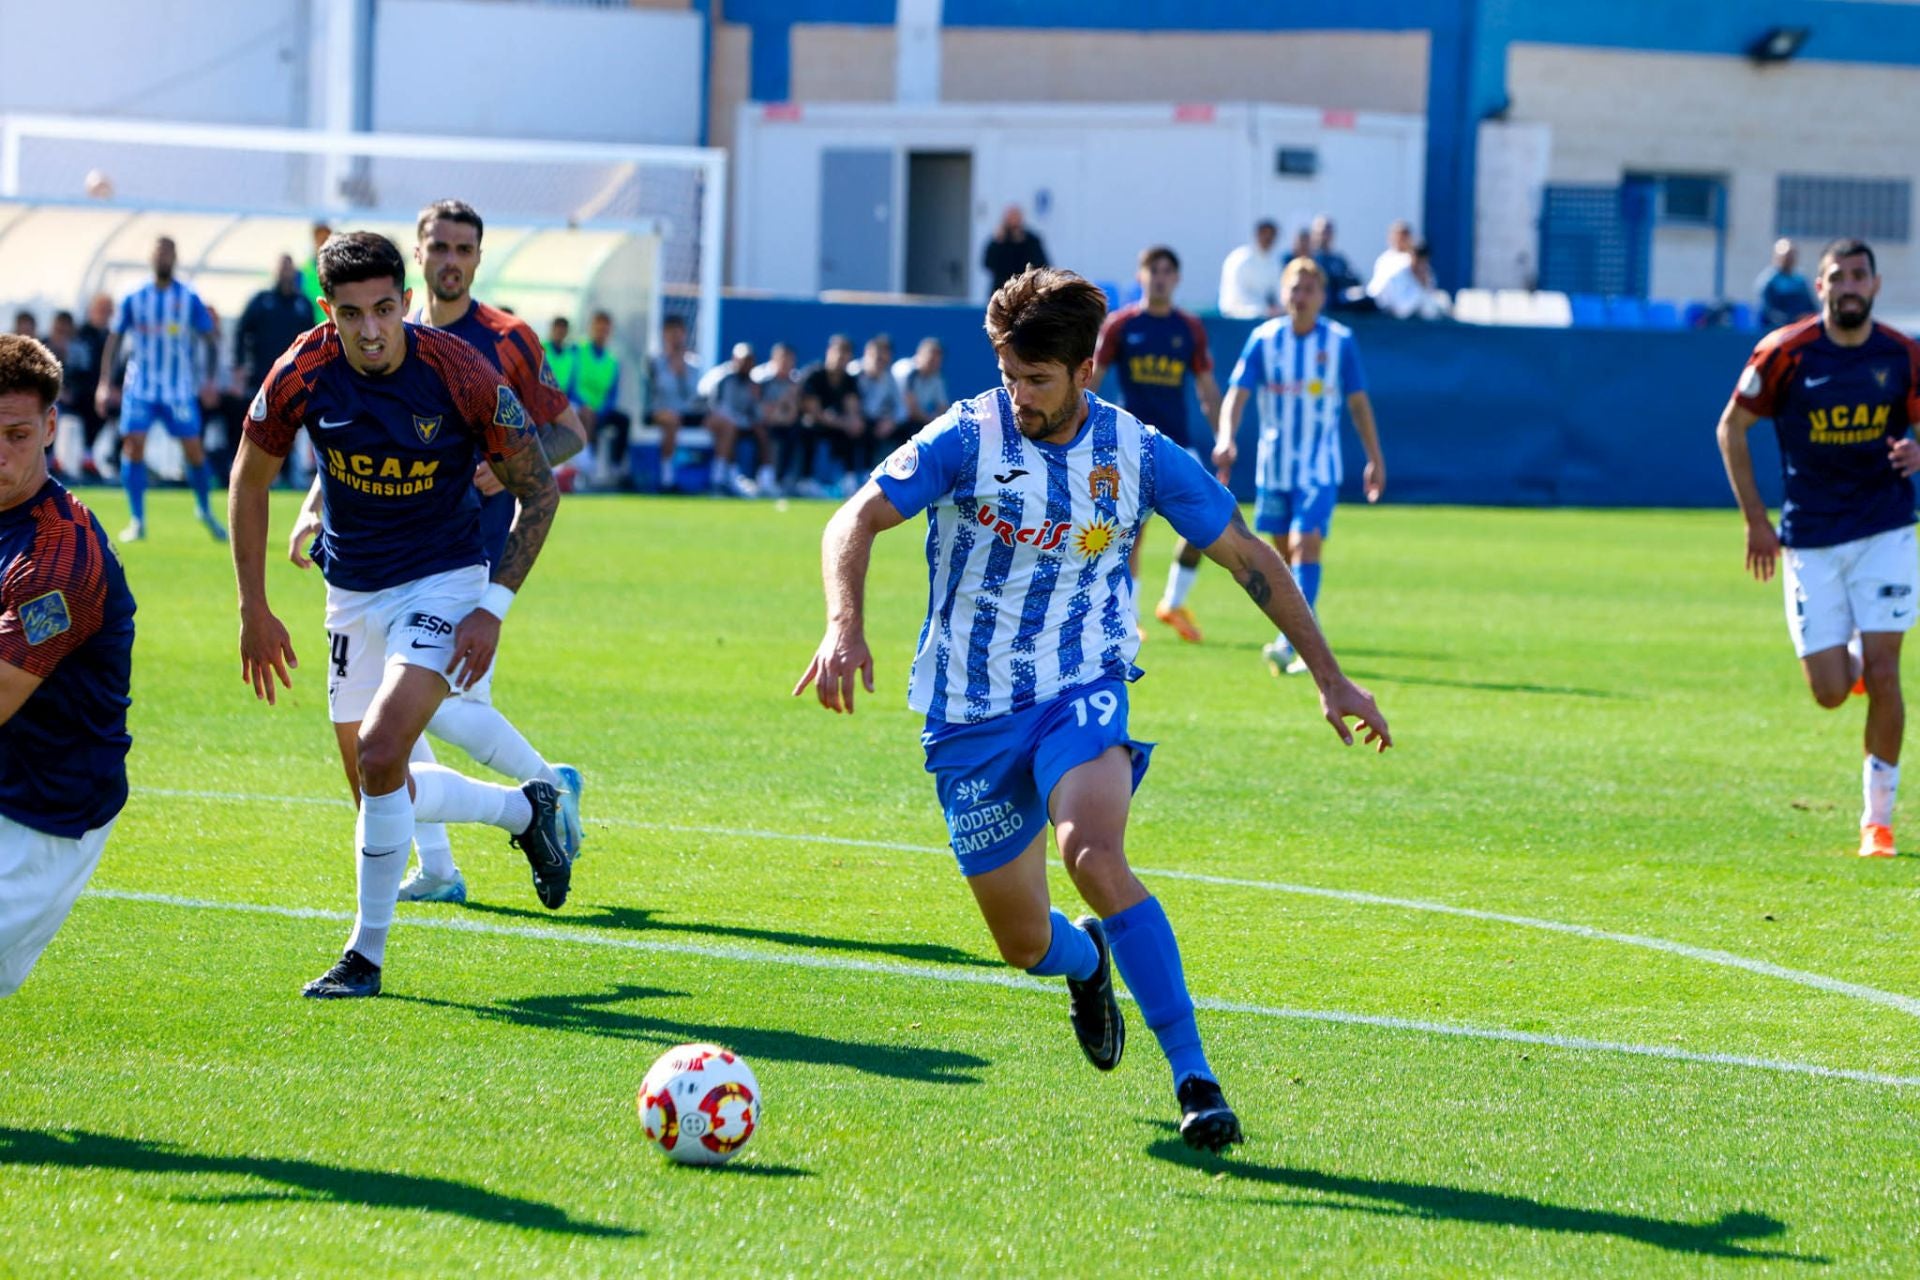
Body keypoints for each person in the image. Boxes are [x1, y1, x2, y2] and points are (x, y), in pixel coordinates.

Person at [795, 266, 1391, 1151]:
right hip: (968, 709)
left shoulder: (1139, 454)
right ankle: (1085, 961)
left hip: (1083, 683)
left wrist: (1330, 677)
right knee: (1023, 942)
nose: (1018, 394)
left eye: (1037, 379)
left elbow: (1248, 558)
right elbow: (852, 519)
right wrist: (844, 625)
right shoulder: (967, 436)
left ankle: (1195, 1076)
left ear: (1085, 373)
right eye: (1008, 374)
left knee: (1091, 851)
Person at [232, 231, 573, 998]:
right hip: (351, 592)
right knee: (374, 787)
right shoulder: (301, 372)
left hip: (444, 582)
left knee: (386, 753)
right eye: (352, 315)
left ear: (405, 301)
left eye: (385, 309)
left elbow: (540, 489)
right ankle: (525, 811)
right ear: (329, 312)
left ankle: (365, 956)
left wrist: (491, 608)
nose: (372, 330)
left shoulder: (458, 371)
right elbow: (248, 478)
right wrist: (253, 608)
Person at [289, 200, 585, 905]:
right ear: (417, 255)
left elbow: (567, 431)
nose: (451, 260)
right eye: (439, 246)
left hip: (468, 549)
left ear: (479, 259)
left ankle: (545, 788)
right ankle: (445, 867)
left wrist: (504, 461)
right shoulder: (383, 329)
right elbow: (350, 439)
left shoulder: (506, 338)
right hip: (379, 552)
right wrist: (313, 503)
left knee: (438, 708)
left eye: (464, 248)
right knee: (393, 710)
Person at [1716, 237, 1920, 859]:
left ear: (1876, 286)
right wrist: (1757, 521)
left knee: (1888, 674)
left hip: (1886, 528)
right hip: (1811, 538)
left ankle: (1876, 822)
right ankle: (1851, 659)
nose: (1849, 286)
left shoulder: (1903, 355)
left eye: (1860, 276)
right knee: (1830, 691)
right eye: (1838, 277)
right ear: (1821, 287)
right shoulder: (1785, 353)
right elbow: (1731, 427)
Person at [0, 334, 136, 998]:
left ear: (51, 427)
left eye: (17, 435)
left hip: (42, 814)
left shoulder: (61, 559)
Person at [1216, 257, 1388, 676]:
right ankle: (1301, 637)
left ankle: (1287, 643)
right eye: (1295, 287)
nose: (1301, 295)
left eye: (1309, 288)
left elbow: (1359, 403)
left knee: (1304, 542)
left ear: (1322, 297)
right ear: (1283, 293)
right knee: (1279, 560)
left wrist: (1374, 458)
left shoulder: (1339, 341)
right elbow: (1237, 394)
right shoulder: (1264, 338)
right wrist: (1226, 437)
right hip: (1273, 468)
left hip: (1318, 468)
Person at [1092, 245, 1222, 642]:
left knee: (1208, 522)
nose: (1160, 277)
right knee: (1131, 531)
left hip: (1179, 443)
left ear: (1176, 279)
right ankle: (1128, 618)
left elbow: (1206, 389)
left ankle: (1173, 601)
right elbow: (1091, 381)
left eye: (1167, 271)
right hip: (1131, 443)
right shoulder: (1120, 325)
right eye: (1153, 270)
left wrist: (1224, 437)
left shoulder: (1189, 328)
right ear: (1141, 276)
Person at [95, 235, 224, 544]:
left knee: (193, 451)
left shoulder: (189, 297)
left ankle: (204, 509)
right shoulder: (134, 296)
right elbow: (113, 340)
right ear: (151, 257)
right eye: (159, 252)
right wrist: (104, 383)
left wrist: (208, 380)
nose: (163, 257)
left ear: (175, 257)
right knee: (133, 445)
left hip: (178, 388)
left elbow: (210, 339)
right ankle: (137, 520)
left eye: (169, 252)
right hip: (141, 386)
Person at [234, 255, 319, 486]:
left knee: (295, 427)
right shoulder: (261, 301)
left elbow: (314, 339)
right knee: (262, 426)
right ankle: (257, 474)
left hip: (297, 379)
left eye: (289, 268)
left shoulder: (303, 304)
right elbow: (241, 331)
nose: (286, 273)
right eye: (282, 268)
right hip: (263, 377)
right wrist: (240, 366)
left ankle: (291, 473)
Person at [697, 342, 771, 495]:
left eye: (750, 361)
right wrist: (742, 420)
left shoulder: (752, 383)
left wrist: (755, 402)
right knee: (729, 427)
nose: (747, 364)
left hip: (738, 422)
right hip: (710, 419)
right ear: (735, 359)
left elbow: (755, 412)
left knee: (761, 430)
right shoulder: (723, 378)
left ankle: (765, 478)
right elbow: (717, 407)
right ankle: (720, 478)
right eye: (744, 360)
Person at [646, 315, 707, 493]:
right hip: (660, 411)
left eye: (678, 332)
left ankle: (721, 475)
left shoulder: (694, 364)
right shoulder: (654, 363)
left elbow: (695, 395)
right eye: (670, 332)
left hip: (687, 412)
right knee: (671, 420)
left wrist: (683, 374)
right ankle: (667, 477)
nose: (675, 337)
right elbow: (654, 393)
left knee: (722, 422)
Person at [797, 334, 862, 496]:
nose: (841, 358)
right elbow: (814, 412)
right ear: (828, 352)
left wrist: (853, 422)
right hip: (815, 424)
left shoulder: (849, 380)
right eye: (838, 352)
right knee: (808, 428)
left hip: (837, 425)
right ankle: (806, 480)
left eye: (845, 354)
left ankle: (849, 479)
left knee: (857, 431)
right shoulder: (814, 375)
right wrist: (842, 423)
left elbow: (852, 407)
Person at [60, 295, 114, 483]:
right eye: (101, 309)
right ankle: (83, 457)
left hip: (101, 393)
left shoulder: (112, 337)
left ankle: (110, 458)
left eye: (107, 309)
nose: (104, 314)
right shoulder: (81, 335)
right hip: (78, 392)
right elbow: (74, 368)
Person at [574, 311, 628, 488]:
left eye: (605, 328)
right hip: (577, 406)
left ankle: (616, 467)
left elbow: (612, 394)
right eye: (598, 327)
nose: (601, 332)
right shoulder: (578, 351)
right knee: (587, 416)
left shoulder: (612, 360)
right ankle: (586, 467)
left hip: (599, 410)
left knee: (623, 420)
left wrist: (601, 410)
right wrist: (584, 404)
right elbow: (570, 384)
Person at [854, 334, 904, 488]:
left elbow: (901, 409)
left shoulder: (888, 377)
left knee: (908, 431)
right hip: (854, 421)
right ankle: (853, 477)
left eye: (884, 357)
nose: (880, 361)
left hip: (879, 422)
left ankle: (899, 478)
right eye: (877, 356)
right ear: (867, 353)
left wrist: (891, 422)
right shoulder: (853, 373)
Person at [753, 342, 803, 493]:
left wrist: (787, 408)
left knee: (798, 431)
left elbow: (792, 415)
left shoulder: (794, 381)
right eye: (783, 359)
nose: (786, 363)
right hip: (757, 422)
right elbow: (762, 412)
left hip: (783, 423)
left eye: (790, 360)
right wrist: (783, 402)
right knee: (766, 431)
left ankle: (788, 479)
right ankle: (765, 477)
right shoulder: (761, 379)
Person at [1217, 220, 1281, 319]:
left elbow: (1278, 292)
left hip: (1262, 317)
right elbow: (1237, 296)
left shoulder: (1273, 262)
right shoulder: (1240, 259)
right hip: (1234, 318)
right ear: (1257, 235)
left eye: (1272, 237)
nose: (1268, 240)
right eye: (1265, 235)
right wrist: (1263, 310)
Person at [1371, 242, 1452, 321]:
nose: (1420, 265)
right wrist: (1421, 287)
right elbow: (1401, 311)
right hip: (1378, 312)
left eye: (1423, 261)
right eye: (1417, 260)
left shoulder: (1428, 274)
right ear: (1412, 257)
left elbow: (1428, 310)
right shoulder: (1398, 273)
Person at [982, 205, 1049, 296]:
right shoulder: (999, 240)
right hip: (1001, 290)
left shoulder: (1031, 240)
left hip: (1025, 290)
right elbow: (987, 263)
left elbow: (1042, 263)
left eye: (1016, 217)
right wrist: (998, 244)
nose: (1013, 221)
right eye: (1010, 217)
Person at [1756, 238, 1818, 331]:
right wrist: (1791, 320)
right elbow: (1768, 311)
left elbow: (1811, 307)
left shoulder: (1800, 280)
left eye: (1791, 256)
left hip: (1800, 330)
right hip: (1775, 331)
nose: (1789, 259)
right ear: (1777, 257)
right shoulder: (1769, 281)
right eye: (1786, 257)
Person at [892, 337, 950, 432]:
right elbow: (911, 409)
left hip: (913, 422)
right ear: (920, 354)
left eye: (937, 361)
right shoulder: (905, 370)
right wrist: (932, 421)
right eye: (931, 360)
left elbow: (943, 407)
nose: (934, 364)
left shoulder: (937, 378)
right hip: (893, 420)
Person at [1308, 215, 1366, 310]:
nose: (1325, 236)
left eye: (1328, 232)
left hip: (1340, 309)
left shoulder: (1338, 259)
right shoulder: (1309, 259)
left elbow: (1353, 280)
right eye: (1322, 232)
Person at [1368, 220, 1415, 298]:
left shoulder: (1414, 259)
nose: (1399, 239)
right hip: (1382, 302)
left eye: (1403, 236)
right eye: (1396, 236)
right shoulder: (1384, 258)